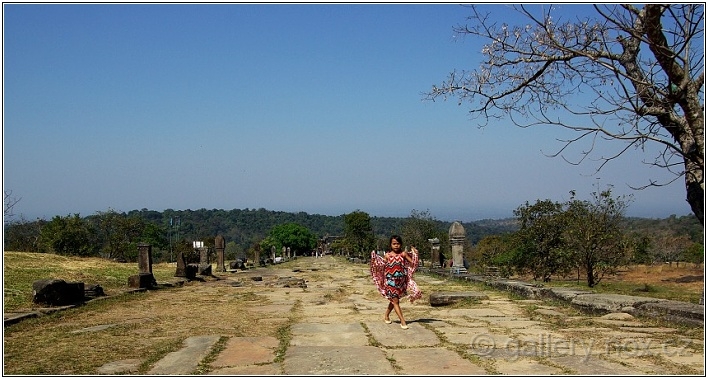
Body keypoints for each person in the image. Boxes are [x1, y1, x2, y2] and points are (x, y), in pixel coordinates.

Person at [370, 235, 422, 330]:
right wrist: (375, 261)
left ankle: (386, 315)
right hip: (390, 281)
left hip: (400, 281)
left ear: (401, 244)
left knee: (394, 301)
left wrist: (415, 254)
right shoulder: (387, 255)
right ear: (390, 245)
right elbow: (382, 265)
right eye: (394, 244)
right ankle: (402, 321)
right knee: (395, 301)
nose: (396, 246)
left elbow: (413, 263)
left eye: (398, 244)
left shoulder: (403, 254)